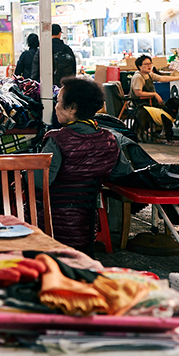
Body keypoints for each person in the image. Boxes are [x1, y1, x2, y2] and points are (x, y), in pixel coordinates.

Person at [38, 77, 123, 250]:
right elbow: (120, 172)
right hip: (88, 226)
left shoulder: (57, 140)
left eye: (59, 101)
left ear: (72, 109)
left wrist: (25, 173)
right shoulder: (109, 138)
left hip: (53, 225)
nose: (55, 106)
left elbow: (40, 182)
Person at [131, 54, 179, 142]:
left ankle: (162, 132)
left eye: (150, 63)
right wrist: (154, 94)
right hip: (141, 103)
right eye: (146, 64)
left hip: (150, 101)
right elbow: (138, 93)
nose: (149, 66)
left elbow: (162, 78)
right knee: (166, 110)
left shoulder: (149, 75)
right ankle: (157, 132)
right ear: (139, 66)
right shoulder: (138, 77)